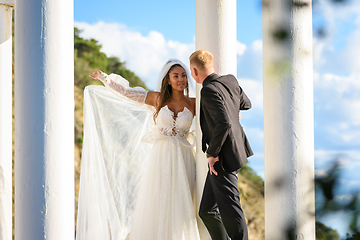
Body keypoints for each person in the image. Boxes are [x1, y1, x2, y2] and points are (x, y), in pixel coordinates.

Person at [76, 59, 200, 240]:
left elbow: (216, 109)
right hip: (161, 157)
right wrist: (105, 78)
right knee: (160, 201)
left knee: (182, 202)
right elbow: (127, 93)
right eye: (176, 76)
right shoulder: (157, 98)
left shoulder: (194, 102)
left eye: (183, 75)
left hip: (184, 157)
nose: (181, 79)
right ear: (168, 79)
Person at [189, 50, 253, 240]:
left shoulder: (207, 90)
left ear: (194, 71)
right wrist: (233, 111)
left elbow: (223, 123)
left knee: (231, 209)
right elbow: (246, 104)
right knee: (207, 210)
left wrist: (212, 154)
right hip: (235, 151)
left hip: (223, 157)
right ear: (212, 65)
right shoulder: (230, 80)